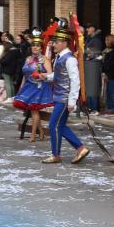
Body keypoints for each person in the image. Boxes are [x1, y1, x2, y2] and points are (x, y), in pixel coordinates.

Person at [38, 20, 90, 164]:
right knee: (59, 125)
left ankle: (57, 155)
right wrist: (46, 77)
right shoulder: (61, 58)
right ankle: (80, 148)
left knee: (53, 124)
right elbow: (59, 75)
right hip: (60, 96)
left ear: (64, 43)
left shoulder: (70, 59)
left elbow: (75, 80)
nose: (53, 44)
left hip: (64, 98)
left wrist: (72, 100)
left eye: (56, 42)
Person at [13, 29, 53, 142]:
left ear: (41, 48)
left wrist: (40, 75)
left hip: (40, 87)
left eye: (37, 46)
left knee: (34, 110)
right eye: (33, 46)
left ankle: (33, 135)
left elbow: (50, 74)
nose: (35, 47)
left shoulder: (45, 59)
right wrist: (21, 88)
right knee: (33, 111)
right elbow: (25, 75)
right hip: (28, 86)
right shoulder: (28, 59)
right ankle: (40, 132)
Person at [84, 24, 103, 115]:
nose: (87, 29)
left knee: (93, 87)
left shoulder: (97, 40)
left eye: (89, 28)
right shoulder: (89, 38)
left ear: (93, 29)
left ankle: (94, 108)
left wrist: (89, 54)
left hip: (93, 65)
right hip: (88, 65)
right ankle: (90, 107)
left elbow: (95, 52)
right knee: (89, 87)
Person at [101, 34, 114, 114]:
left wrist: (106, 73)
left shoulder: (113, 53)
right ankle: (109, 107)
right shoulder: (107, 51)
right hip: (108, 74)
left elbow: (111, 65)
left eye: (106, 40)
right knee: (108, 91)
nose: (105, 42)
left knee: (111, 91)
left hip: (112, 75)